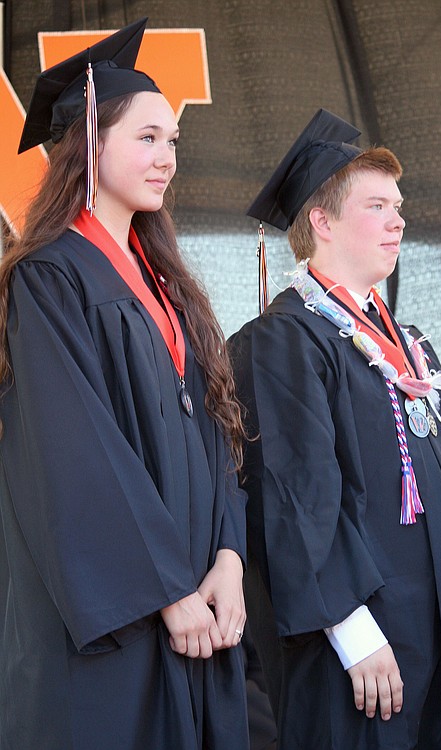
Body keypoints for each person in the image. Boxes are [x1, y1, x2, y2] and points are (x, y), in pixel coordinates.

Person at [229, 109, 441, 749]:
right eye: (378, 205)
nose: (399, 220)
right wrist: (352, 633)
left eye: (399, 205)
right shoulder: (283, 343)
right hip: (364, 648)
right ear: (322, 221)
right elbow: (294, 494)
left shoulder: (412, 348)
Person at [0, 18, 249, 750]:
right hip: (119, 630)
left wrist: (228, 563)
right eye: (146, 138)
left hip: (202, 613)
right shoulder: (48, 279)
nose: (166, 157)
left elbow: (216, 435)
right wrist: (169, 592)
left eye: (173, 141)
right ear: (89, 139)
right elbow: (72, 454)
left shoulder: (168, 287)